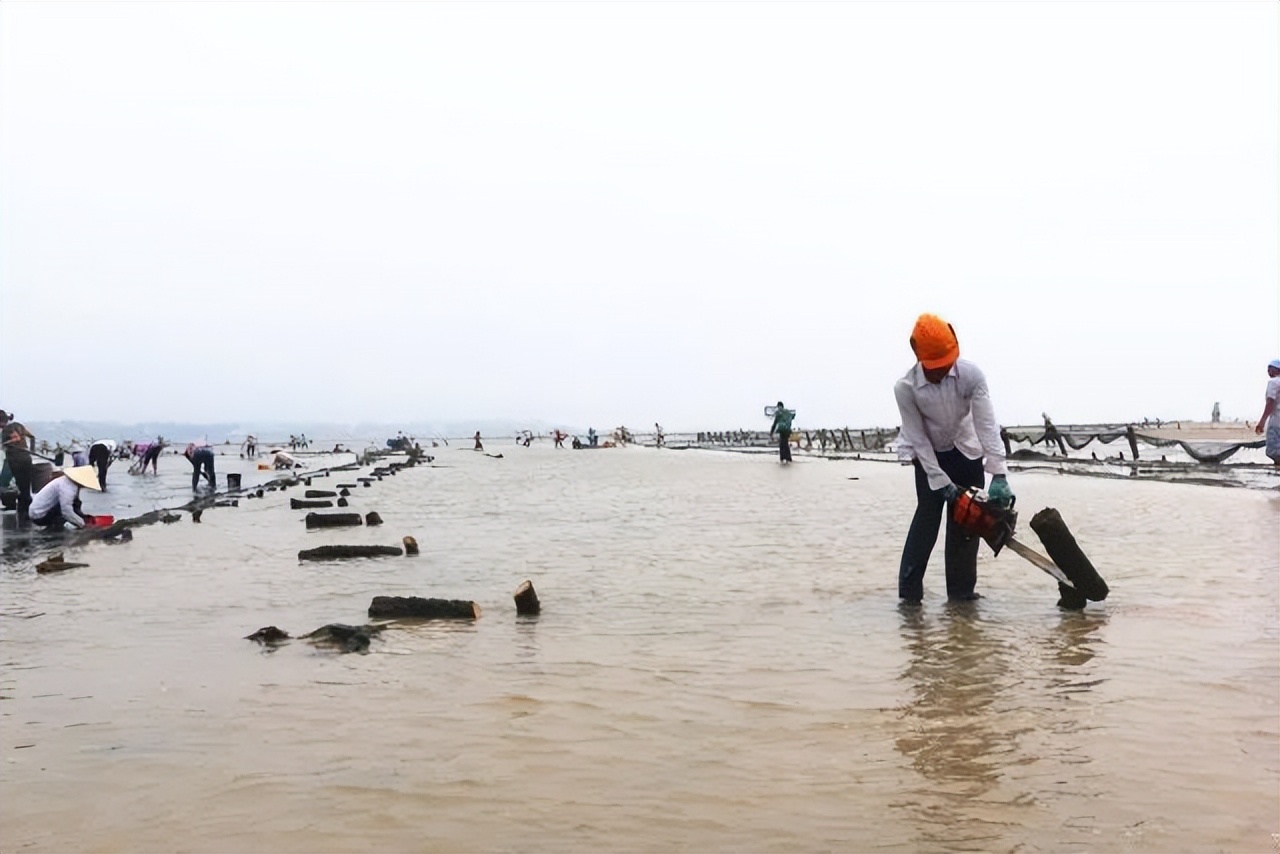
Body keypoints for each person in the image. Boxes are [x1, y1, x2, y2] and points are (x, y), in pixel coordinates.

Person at [894, 313, 1013, 605]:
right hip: (929, 458)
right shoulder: (905, 389)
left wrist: (998, 472)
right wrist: (939, 480)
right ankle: (909, 600)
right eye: (935, 367)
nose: (942, 371)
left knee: (966, 526)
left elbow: (986, 424)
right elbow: (918, 439)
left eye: (947, 363)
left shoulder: (971, 376)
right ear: (918, 357)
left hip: (966, 453)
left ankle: (961, 599)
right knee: (927, 521)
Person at [28, 465, 101, 529]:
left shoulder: (67, 481)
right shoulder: (68, 487)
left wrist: (84, 517)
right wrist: (82, 524)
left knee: (76, 502)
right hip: (39, 515)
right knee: (68, 507)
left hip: (37, 510)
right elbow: (66, 511)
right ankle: (55, 529)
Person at [1, 411, 37, 524]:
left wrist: (5, 444)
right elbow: (32, 437)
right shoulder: (19, 426)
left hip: (15, 460)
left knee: (21, 485)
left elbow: (12, 440)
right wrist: (32, 450)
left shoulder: (7, 430)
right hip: (26, 458)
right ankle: (25, 510)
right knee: (25, 485)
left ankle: (24, 512)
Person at [1255, 359, 1280, 467]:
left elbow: (1270, 403)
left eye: (1270, 368)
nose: (1268, 371)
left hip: (1276, 421)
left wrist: (1262, 422)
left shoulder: (1273, 382)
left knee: (1274, 451)